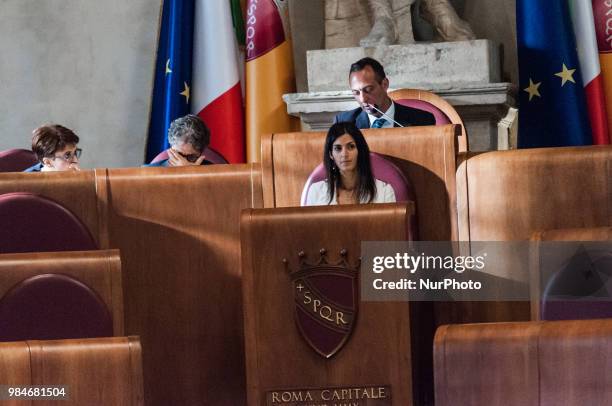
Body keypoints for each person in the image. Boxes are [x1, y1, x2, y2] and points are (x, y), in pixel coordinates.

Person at [304, 122, 396, 206]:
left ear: (360, 151)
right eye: (338, 148)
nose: (344, 154)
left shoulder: (384, 191)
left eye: (351, 147)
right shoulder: (315, 191)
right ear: (331, 154)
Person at [335, 57, 436, 129]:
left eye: (368, 90)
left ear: (384, 84)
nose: (362, 99)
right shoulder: (344, 122)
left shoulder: (422, 121)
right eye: (356, 93)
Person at [146, 114, 211, 167]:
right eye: (178, 154)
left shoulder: (215, 173)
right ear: (171, 147)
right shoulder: (147, 173)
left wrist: (192, 175)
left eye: (191, 157)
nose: (182, 162)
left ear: (201, 153)